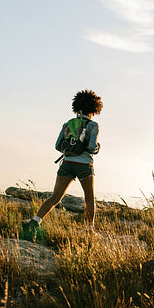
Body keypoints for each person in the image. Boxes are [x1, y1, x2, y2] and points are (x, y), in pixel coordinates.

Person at [23, 90, 103, 231]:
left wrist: (71, 150)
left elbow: (57, 146)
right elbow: (91, 147)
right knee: (89, 199)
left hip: (67, 163)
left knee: (55, 197)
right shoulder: (93, 125)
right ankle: (90, 230)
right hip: (84, 165)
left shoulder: (68, 124)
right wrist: (97, 148)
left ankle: (35, 221)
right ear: (94, 108)